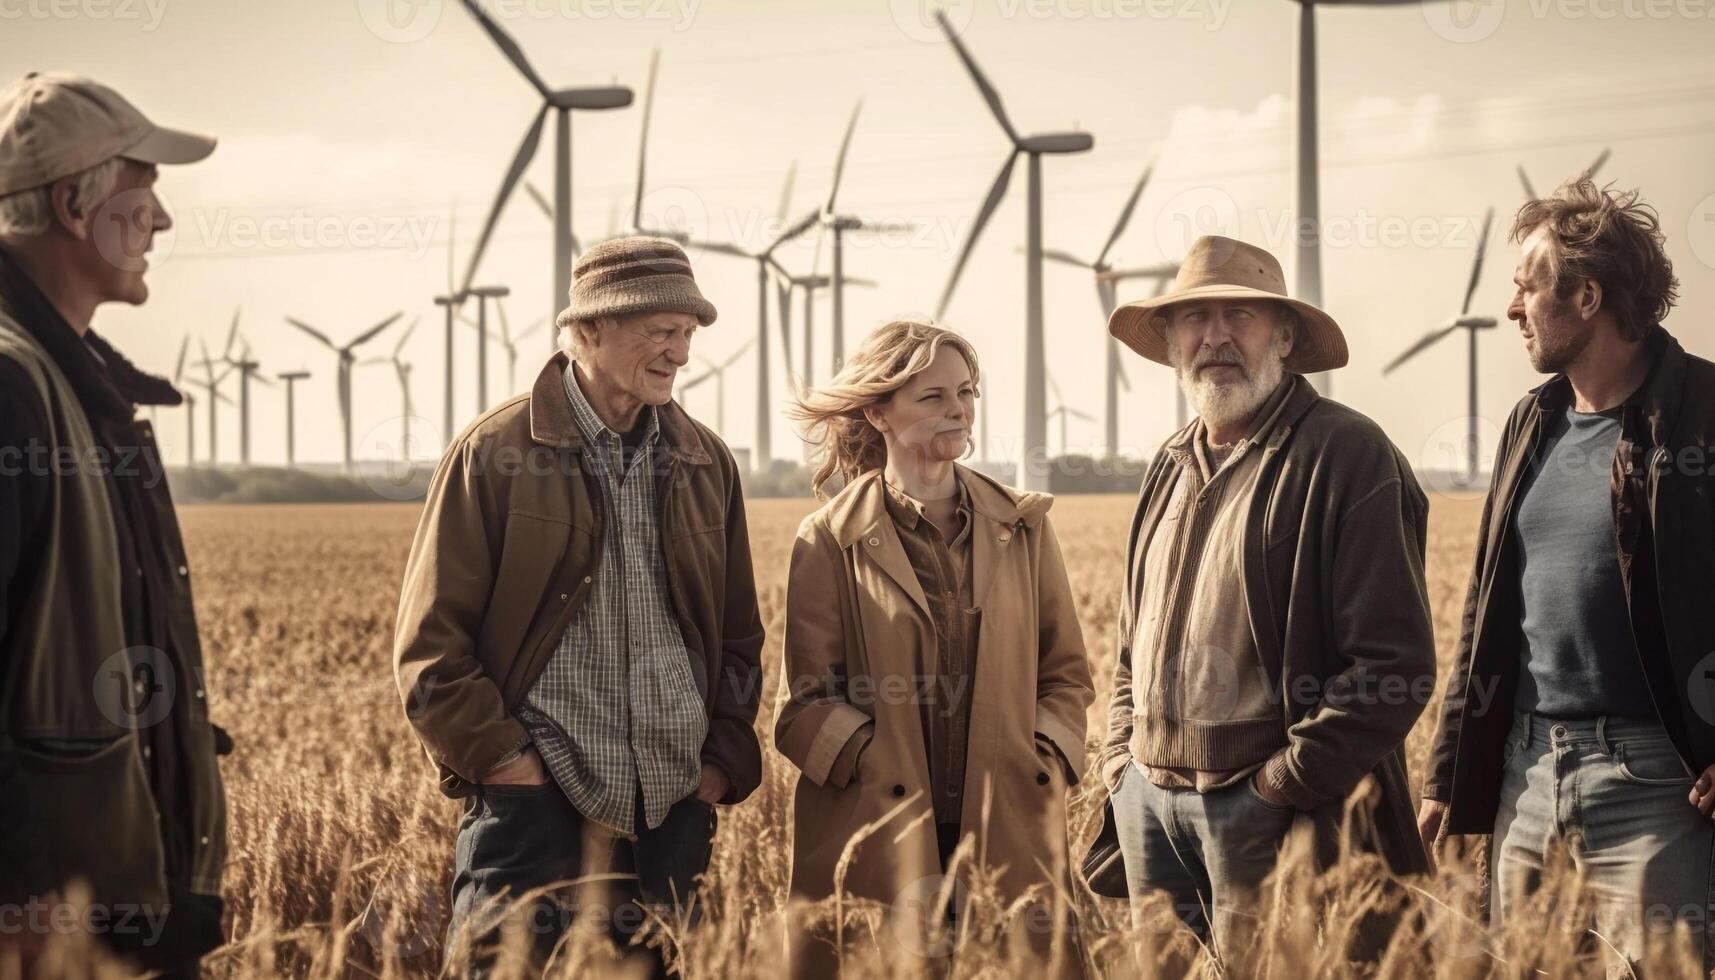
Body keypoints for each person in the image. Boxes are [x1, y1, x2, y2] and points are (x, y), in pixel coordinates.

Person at [393, 237, 766, 977]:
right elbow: (431, 646)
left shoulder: (704, 460)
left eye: (688, 334)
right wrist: (509, 765)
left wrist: (717, 766)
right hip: (534, 813)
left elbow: (739, 637)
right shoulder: (496, 452)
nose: (680, 354)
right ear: (588, 329)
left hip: (669, 815)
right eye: (660, 330)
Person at [1095, 234, 1435, 966]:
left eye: (1239, 315)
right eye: (1193, 318)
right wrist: (1121, 762)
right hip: (1148, 806)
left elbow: (1392, 663)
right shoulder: (1169, 462)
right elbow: (1128, 641)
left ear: (1282, 336)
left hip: (1265, 811)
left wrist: (1283, 783)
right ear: (1170, 341)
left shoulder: (1347, 455)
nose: (1214, 335)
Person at [1420, 176, 1715, 972]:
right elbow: (1484, 611)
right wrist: (1447, 778)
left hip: (1661, 784)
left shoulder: (1704, 412)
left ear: (1586, 296)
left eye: (1526, 285)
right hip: (1525, 770)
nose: (1511, 309)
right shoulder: (1532, 420)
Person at [775, 320, 1094, 975]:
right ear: (878, 411)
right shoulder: (827, 539)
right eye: (933, 396)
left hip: (1007, 817)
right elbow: (804, 704)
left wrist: (1045, 755)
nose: (959, 408)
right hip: (879, 826)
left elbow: (1064, 673)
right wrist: (868, 760)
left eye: (967, 392)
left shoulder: (1023, 525)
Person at [0, 71, 228, 978]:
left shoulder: (76, 384)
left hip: (116, 915)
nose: (162, 222)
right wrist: (20, 891)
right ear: (72, 203)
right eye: (145, 189)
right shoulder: (10, 388)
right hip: (53, 930)